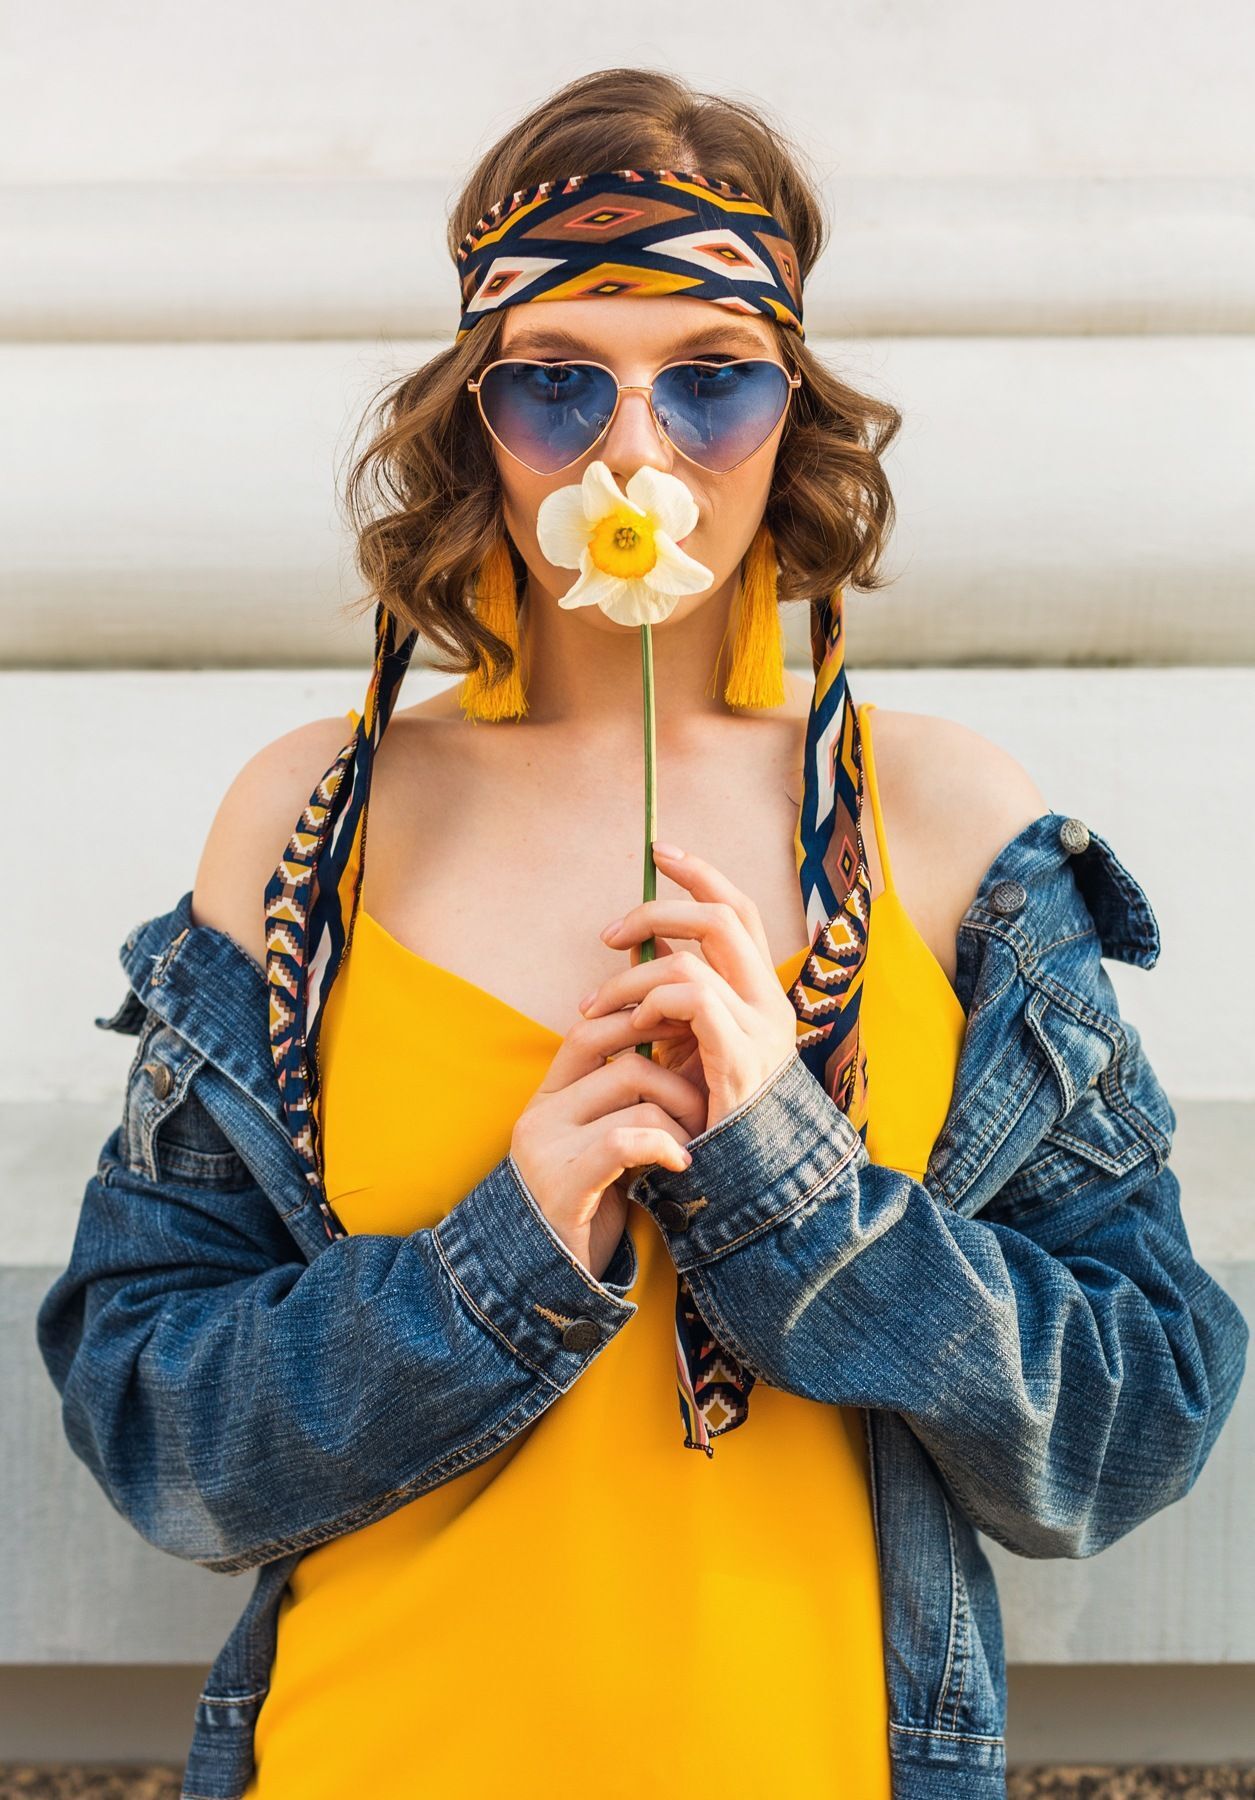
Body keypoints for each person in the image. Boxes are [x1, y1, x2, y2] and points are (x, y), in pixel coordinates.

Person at [36, 69, 1248, 1800]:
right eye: (554, 385)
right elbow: (159, 1431)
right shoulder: (314, 827)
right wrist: (511, 1246)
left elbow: (1135, 1424)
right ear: (473, 423)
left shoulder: (948, 829)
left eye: (710, 384)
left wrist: (796, 1188)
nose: (632, 451)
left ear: (793, 413)